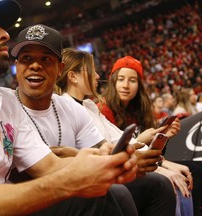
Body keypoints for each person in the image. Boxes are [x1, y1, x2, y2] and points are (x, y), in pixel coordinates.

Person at [0, 1, 138, 215]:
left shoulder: (6, 101)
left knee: (101, 196)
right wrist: (67, 183)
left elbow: (49, 166)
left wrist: (99, 161)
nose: (5, 34)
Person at [10, 24, 140, 216]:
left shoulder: (71, 106)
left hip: (64, 182)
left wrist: (106, 153)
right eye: (26, 58)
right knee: (102, 195)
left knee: (154, 185)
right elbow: (38, 170)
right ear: (17, 66)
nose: (35, 65)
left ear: (60, 68)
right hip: (25, 194)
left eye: (45, 59)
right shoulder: (5, 105)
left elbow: (100, 147)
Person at [56, 47, 180, 216]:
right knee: (160, 184)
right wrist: (154, 159)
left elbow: (115, 139)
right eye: (92, 71)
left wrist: (153, 153)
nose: (98, 76)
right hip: (98, 173)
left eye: (133, 80)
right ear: (72, 76)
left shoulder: (89, 105)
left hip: (116, 165)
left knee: (175, 176)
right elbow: (108, 146)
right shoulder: (76, 107)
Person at [98, 55, 194, 216]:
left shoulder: (141, 110)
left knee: (192, 171)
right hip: (121, 171)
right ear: (113, 81)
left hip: (143, 165)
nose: (125, 85)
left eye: (132, 80)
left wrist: (164, 137)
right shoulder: (103, 110)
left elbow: (150, 152)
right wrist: (164, 169)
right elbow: (115, 156)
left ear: (139, 85)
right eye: (121, 79)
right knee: (168, 183)